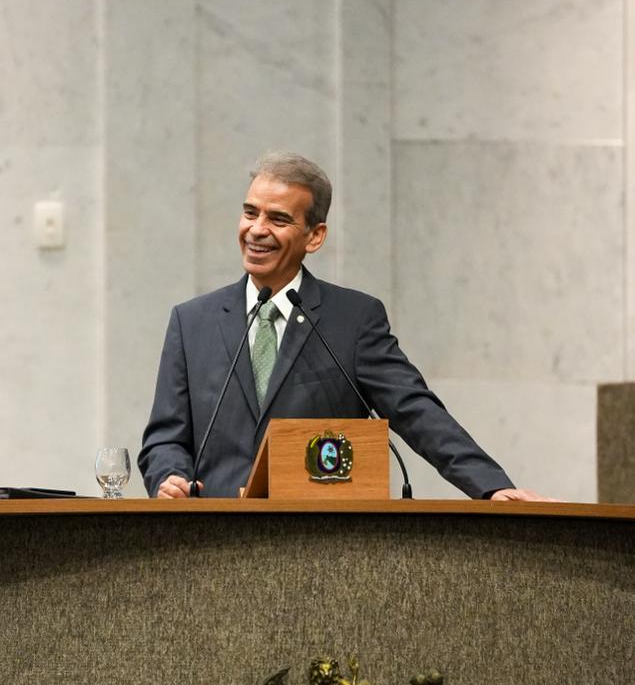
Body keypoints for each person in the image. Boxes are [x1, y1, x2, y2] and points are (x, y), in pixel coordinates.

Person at [139, 152, 550, 501]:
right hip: (213, 542)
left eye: (278, 219)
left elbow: (416, 411)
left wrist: (491, 487)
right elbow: (165, 437)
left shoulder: (352, 320)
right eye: (250, 213)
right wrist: (168, 477)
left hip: (323, 545)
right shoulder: (192, 322)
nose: (257, 229)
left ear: (314, 236)